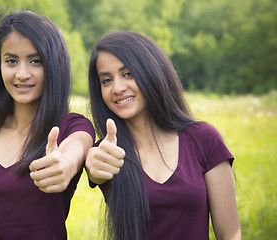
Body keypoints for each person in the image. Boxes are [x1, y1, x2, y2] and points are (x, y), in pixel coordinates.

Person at [0, 11, 95, 240]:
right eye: (11, 61)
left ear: (54, 66)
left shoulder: (71, 127)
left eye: (35, 61)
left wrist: (66, 164)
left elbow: (77, 146)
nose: (22, 74)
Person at [85, 31, 241, 240]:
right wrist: (91, 165)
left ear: (150, 71)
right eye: (106, 80)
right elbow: (95, 167)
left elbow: (230, 235)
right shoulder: (108, 153)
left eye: (128, 73)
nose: (117, 88)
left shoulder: (204, 139)